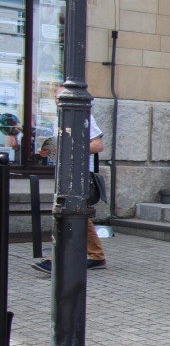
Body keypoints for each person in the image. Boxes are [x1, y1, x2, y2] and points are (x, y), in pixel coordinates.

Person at [32, 114, 107, 274]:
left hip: (80, 175)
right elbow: (59, 153)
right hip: (65, 174)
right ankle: (97, 256)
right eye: (57, 99)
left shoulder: (83, 116)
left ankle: (55, 260)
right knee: (80, 216)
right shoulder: (58, 119)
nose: (58, 102)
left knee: (65, 213)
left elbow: (97, 146)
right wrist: (49, 152)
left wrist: (67, 147)